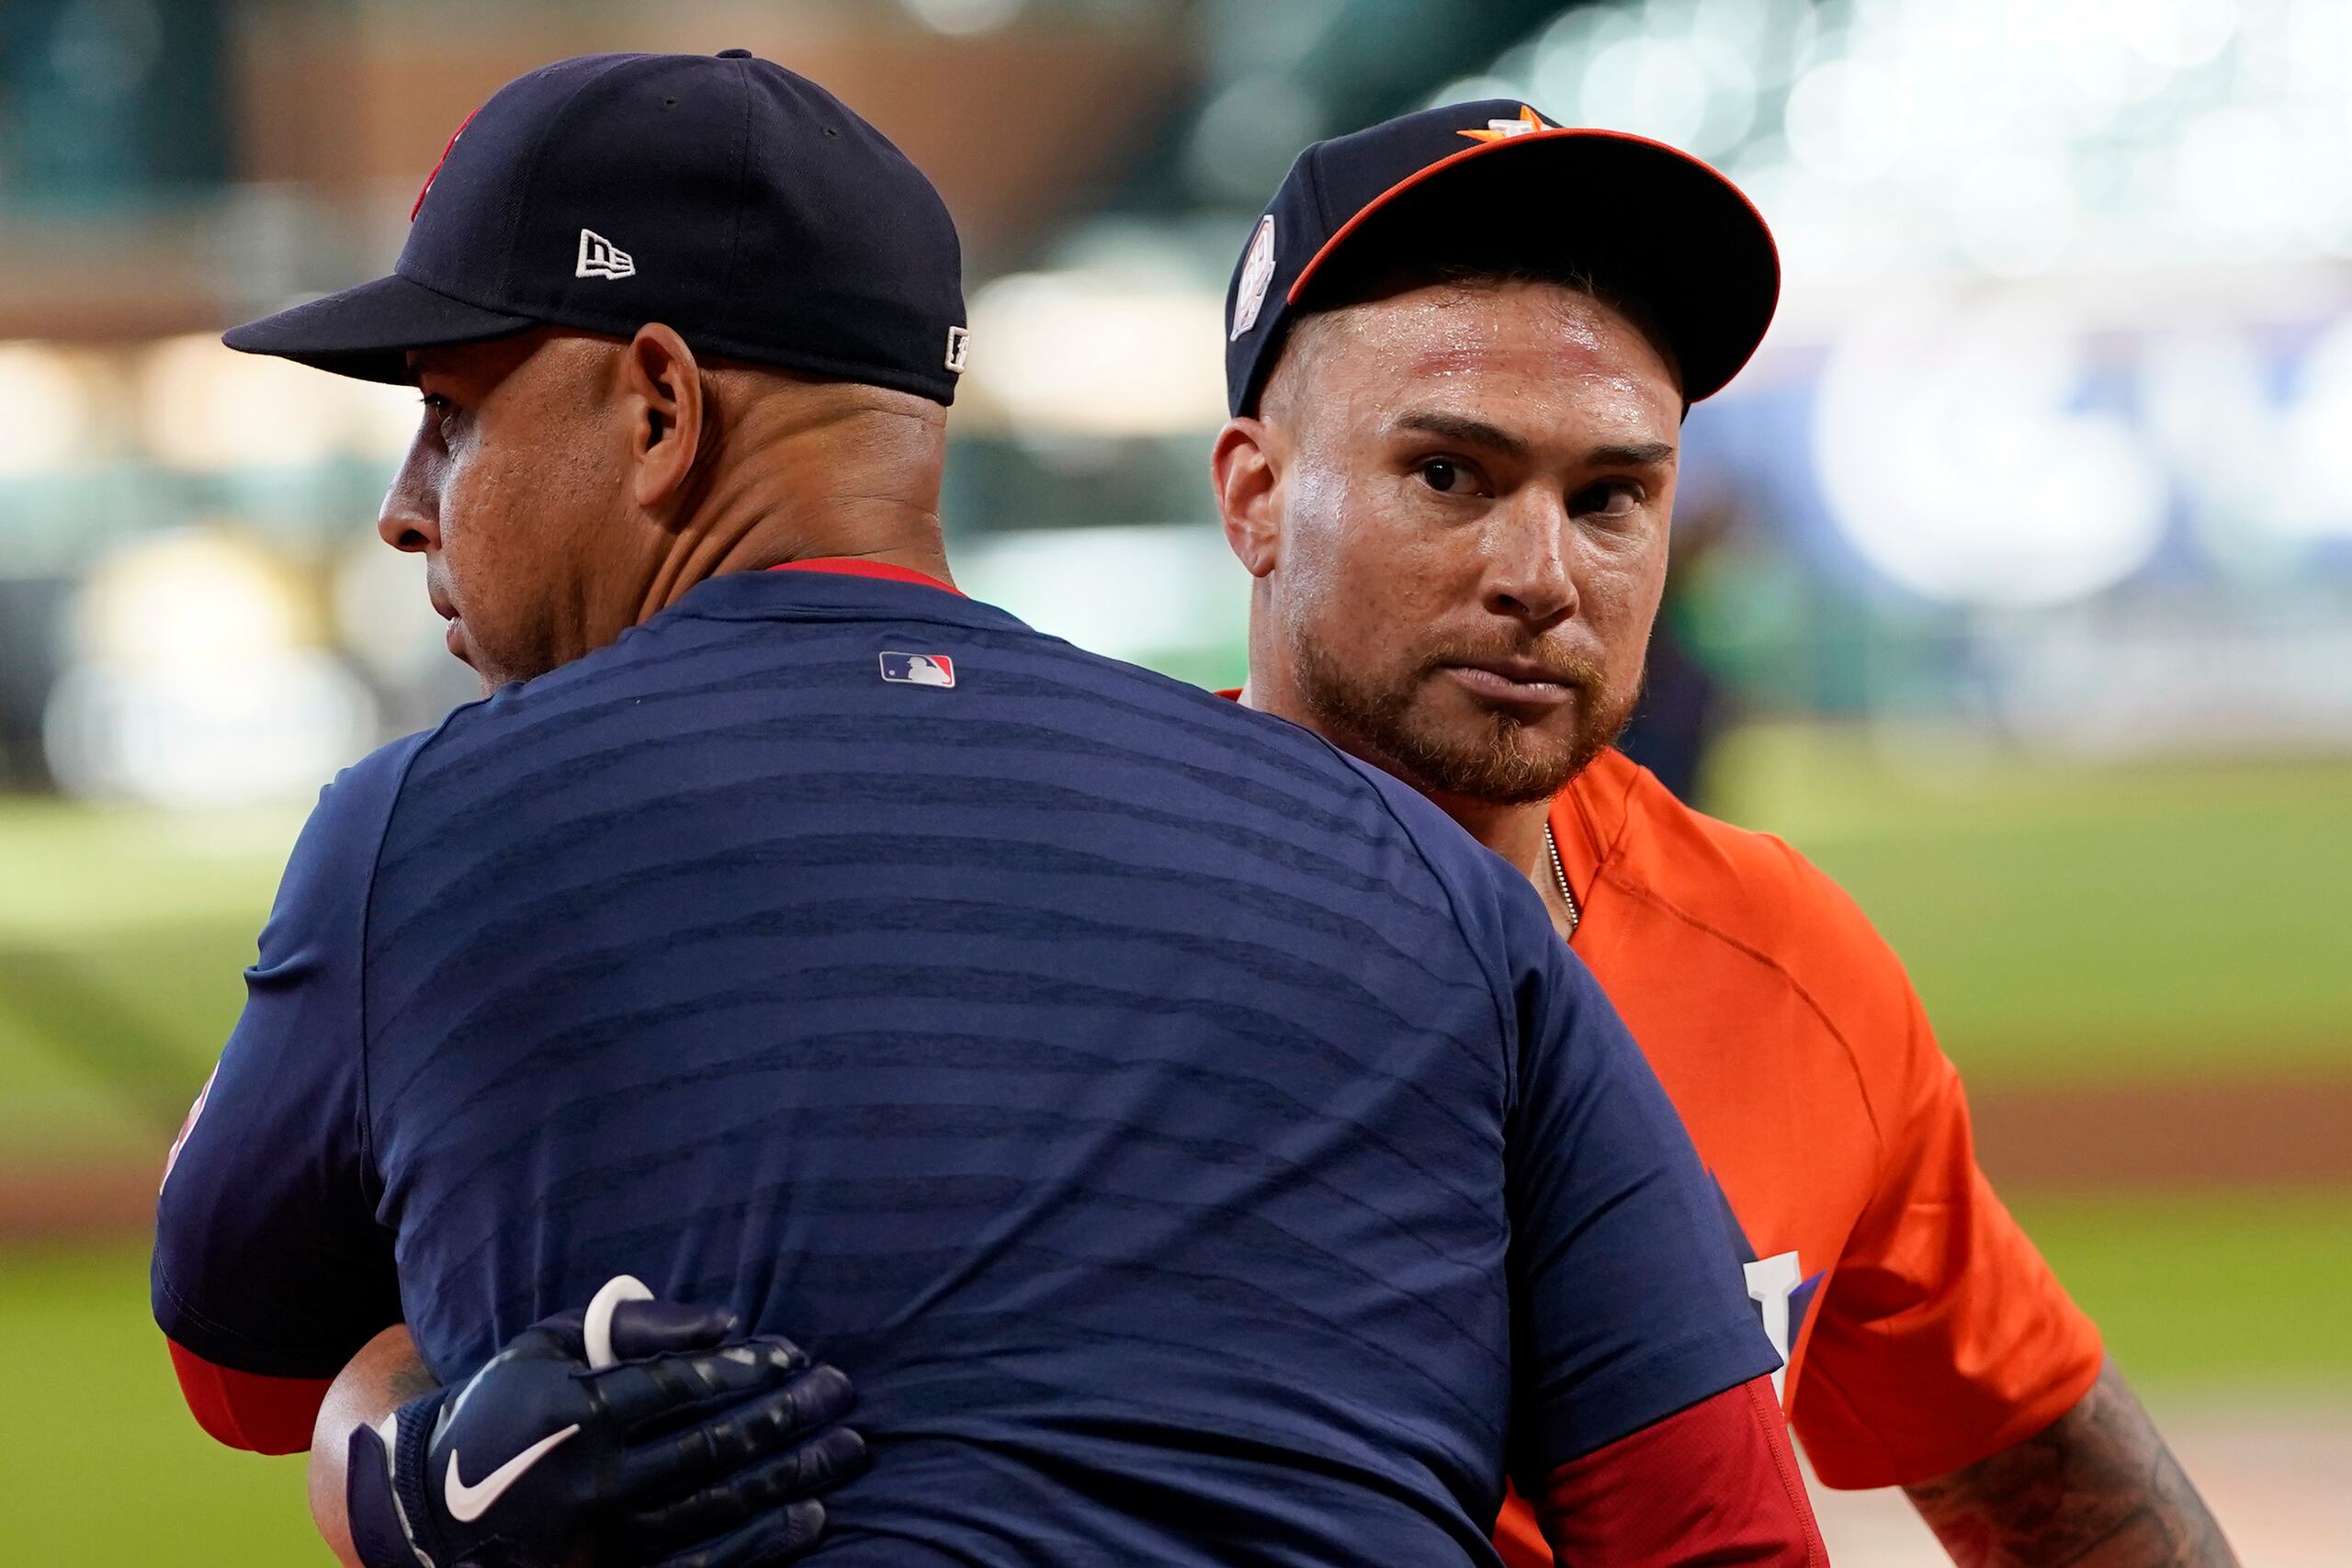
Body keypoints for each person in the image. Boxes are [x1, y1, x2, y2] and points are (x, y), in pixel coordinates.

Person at [153, 53, 1825, 1568]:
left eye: (451, 418)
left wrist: (384, 1483)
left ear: (661, 411)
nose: (404, 509)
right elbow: (1718, 1524)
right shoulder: (1427, 876)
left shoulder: (428, 829)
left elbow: (238, 1369)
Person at [1205, 101, 2236, 1567]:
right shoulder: (1044, 927)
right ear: (1256, 496)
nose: (1541, 576)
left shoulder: (1785, 961)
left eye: (1611, 494)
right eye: (1450, 476)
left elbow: (2051, 1474)